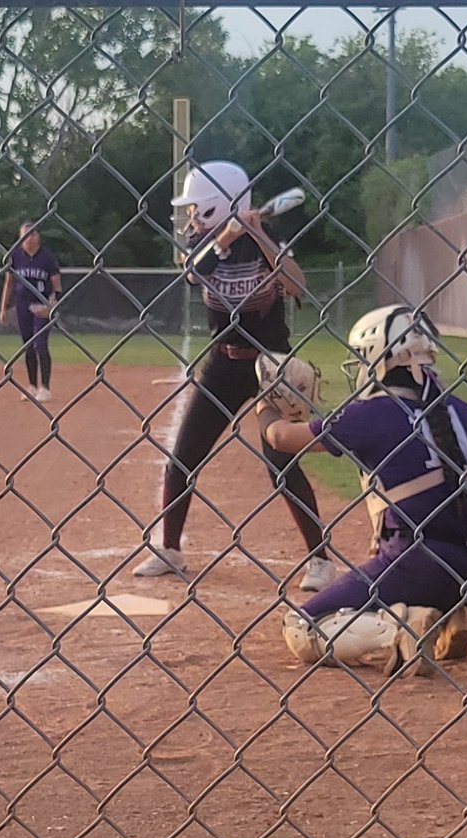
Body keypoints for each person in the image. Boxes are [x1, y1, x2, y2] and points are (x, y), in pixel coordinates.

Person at [257, 305, 467, 674]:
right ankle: (451, 612)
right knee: (431, 528)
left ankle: (400, 632)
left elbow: (280, 438)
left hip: (422, 563)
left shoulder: (368, 414)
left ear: (381, 357)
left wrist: (266, 400)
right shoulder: (464, 411)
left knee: (301, 628)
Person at [131, 160, 337, 593]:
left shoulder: (268, 238)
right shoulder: (201, 241)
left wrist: (259, 236)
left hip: (270, 366)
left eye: (197, 208)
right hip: (225, 363)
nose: (190, 216)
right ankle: (170, 549)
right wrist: (226, 236)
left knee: (281, 463)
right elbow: (194, 273)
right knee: (183, 456)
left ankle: (320, 561)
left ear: (219, 204)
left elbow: (299, 287)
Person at [0, 222, 62, 402]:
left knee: (40, 343)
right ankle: (32, 385)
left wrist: (52, 305)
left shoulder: (47, 257)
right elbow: (9, 283)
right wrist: (3, 308)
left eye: (32, 234)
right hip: (23, 305)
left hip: (42, 306)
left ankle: (45, 388)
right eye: (25, 236)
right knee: (28, 345)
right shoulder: (15, 256)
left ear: (38, 237)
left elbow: (57, 284)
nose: (29, 239)